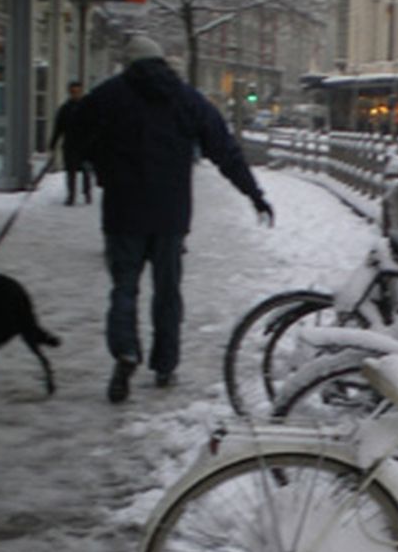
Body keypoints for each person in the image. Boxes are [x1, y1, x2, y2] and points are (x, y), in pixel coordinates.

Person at [74, 34, 274, 402]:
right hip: (170, 215)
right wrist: (254, 194)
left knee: (124, 288)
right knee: (167, 292)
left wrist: (102, 168)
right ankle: (165, 364)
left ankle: (125, 352)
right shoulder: (186, 98)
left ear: (128, 62)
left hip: (122, 211)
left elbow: (78, 135)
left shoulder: (108, 96)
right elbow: (223, 148)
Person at [49, 80, 91, 205]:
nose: (75, 94)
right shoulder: (65, 109)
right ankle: (71, 195)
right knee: (71, 172)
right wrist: (53, 143)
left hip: (85, 144)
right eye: (73, 92)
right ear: (70, 92)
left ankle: (87, 193)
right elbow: (58, 127)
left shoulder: (88, 108)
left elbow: (95, 126)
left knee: (86, 170)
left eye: (78, 92)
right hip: (70, 144)